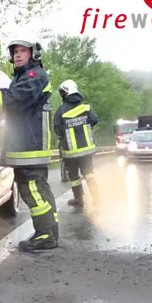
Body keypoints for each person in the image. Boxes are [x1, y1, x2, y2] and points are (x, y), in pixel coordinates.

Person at [0, 36, 59, 251]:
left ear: (34, 54)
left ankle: (45, 235)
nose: (17, 55)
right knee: (40, 190)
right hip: (28, 145)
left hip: (30, 147)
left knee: (33, 190)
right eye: (14, 51)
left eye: (22, 51)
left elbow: (14, 99)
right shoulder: (24, 77)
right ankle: (50, 230)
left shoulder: (34, 75)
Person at [52, 79, 100, 208]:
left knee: (73, 176)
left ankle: (79, 199)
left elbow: (57, 128)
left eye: (62, 92)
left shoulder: (61, 110)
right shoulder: (86, 107)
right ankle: (97, 198)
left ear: (66, 92)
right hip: (86, 148)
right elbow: (94, 120)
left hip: (70, 151)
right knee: (89, 173)